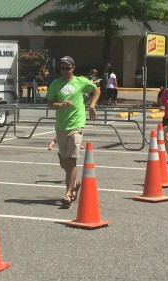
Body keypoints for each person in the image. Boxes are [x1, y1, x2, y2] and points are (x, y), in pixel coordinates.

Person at [46, 55, 100, 207]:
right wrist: (60, 105)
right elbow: (50, 104)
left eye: (67, 68)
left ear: (73, 68)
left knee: (72, 160)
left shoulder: (81, 81)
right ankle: (74, 185)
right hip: (61, 126)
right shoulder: (56, 84)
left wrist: (92, 105)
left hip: (76, 125)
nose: (64, 71)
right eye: (62, 68)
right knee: (65, 162)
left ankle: (68, 194)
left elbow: (97, 90)